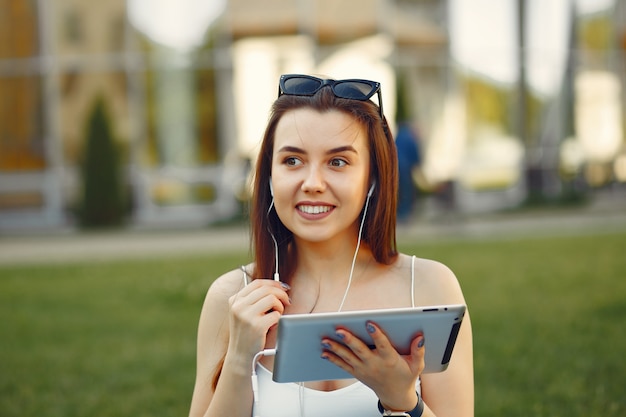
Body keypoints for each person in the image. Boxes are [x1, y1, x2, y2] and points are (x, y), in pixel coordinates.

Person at [189, 74, 473, 417]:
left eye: (338, 162)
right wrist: (237, 359)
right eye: (292, 160)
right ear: (268, 175)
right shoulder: (232, 297)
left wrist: (404, 401)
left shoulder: (429, 288)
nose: (312, 183)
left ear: (372, 177)